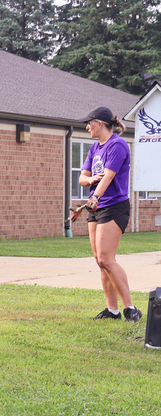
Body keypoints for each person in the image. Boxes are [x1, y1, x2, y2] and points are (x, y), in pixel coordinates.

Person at [79, 106, 141, 322]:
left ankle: (130, 308)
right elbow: (83, 178)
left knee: (107, 258)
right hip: (96, 207)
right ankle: (112, 310)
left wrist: (95, 195)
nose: (87, 127)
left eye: (89, 123)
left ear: (100, 123)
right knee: (99, 260)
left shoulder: (117, 145)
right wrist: (90, 181)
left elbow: (108, 176)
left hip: (114, 205)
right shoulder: (95, 148)